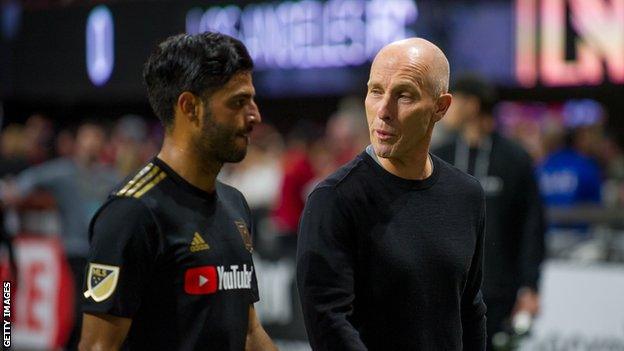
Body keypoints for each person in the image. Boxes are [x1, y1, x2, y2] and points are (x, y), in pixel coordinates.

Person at [79, 32, 277, 351]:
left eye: (252, 100)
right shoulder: (132, 212)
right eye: (238, 102)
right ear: (190, 107)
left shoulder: (235, 203)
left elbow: (249, 332)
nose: (255, 115)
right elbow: (97, 347)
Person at [296, 38, 487, 350]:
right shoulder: (335, 199)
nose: (383, 111)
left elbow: (470, 307)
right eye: (375, 91)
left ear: (441, 107)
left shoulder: (465, 194)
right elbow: (328, 322)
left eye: (404, 96)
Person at [434, 75, 545, 349]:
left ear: (472, 105)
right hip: (444, 288)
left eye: (453, 99)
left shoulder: (515, 158)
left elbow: (532, 225)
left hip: (498, 289)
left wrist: (531, 286)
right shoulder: (438, 156)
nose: (444, 107)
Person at [1, 121, 120, 350]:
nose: (91, 144)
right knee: (81, 307)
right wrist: (11, 192)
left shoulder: (109, 177)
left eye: (96, 138)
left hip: (101, 251)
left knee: (100, 307)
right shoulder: (64, 171)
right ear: (78, 143)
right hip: (75, 249)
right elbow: (30, 179)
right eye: (87, 138)